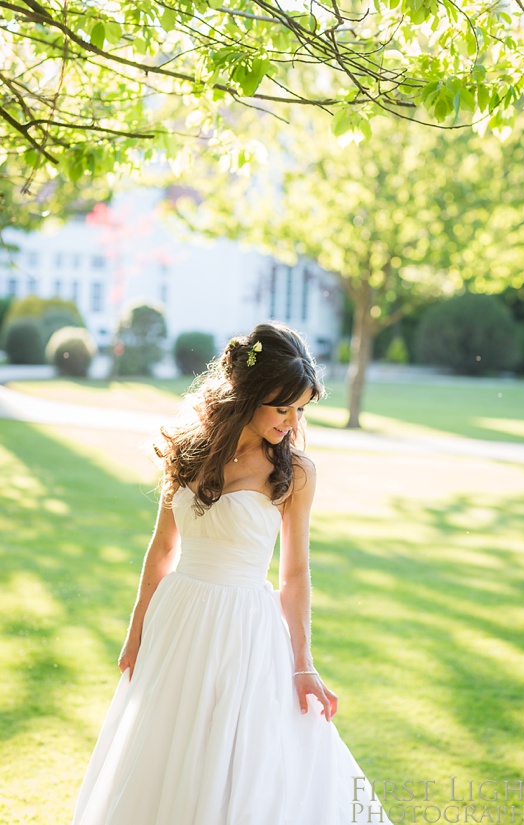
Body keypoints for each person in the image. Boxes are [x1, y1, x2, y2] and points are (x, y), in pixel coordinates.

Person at [72, 321, 394, 825]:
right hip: (177, 620)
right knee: (167, 744)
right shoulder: (188, 450)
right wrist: (137, 631)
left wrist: (303, 662)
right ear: (247, 395)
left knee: (238, 752)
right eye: (282, 406)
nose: (292, 421)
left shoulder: (295, 473)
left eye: (301, 409)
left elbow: (295, 575)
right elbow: (162, 549)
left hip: (245, 627)